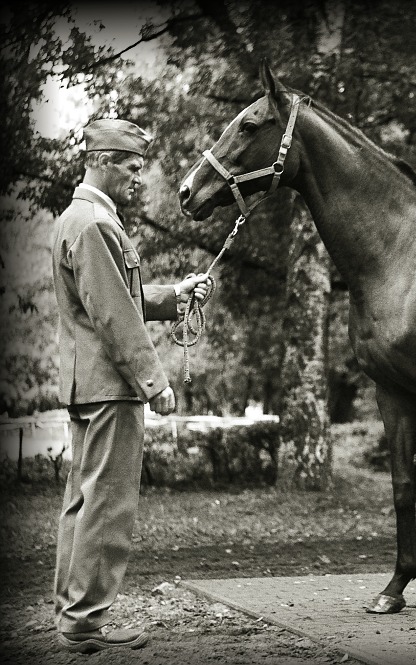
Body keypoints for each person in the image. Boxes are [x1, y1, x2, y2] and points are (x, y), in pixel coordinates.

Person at [51, 118, 210, 653]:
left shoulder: (78, 218)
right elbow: (115, 315)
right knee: (108, 502)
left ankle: (74, 614)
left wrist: (177, 294)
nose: (139, 178)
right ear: (101, 160)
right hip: (112, 387)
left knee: (84, 499)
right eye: (132, 166)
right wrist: (154, 382)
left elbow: (120, 296)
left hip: (89, 386)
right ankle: (86, 622)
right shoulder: (96, 223)